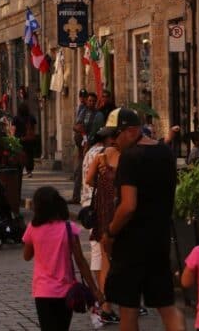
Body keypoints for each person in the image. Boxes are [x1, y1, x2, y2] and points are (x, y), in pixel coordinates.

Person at [104, 108, 184, 331]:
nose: (112, 141)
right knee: (166, 305)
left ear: (130, 131)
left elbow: (128, 206)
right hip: (159, 239)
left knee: (128, 308)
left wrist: (110, 232)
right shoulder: (165, 153)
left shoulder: (130, 157)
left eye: (115, 135)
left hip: (132, 244)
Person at [22, 185, 105, 331]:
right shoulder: (68, 228)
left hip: (43, 291)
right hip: (66, 291)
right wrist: (94, 289)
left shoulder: (32, 228)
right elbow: (81, 261)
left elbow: (27, 256)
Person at [85, 122, 120, 327]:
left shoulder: (101, 157)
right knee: (114, 258)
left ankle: (106, 304)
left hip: (103, 210)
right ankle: (114, 304)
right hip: (118, 209)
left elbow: (89, 180)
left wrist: (104, 184)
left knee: (105, 258)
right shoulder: (126, 157)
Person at [13, 102, 39, 177]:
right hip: (29, 140)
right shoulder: (31, 117)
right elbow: (34, 128)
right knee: (30, 155)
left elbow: (13, 129)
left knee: (19, 155)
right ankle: (29, 171)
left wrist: (13, 137)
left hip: (19, 139)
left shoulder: (16, 118)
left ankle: (20, 170)